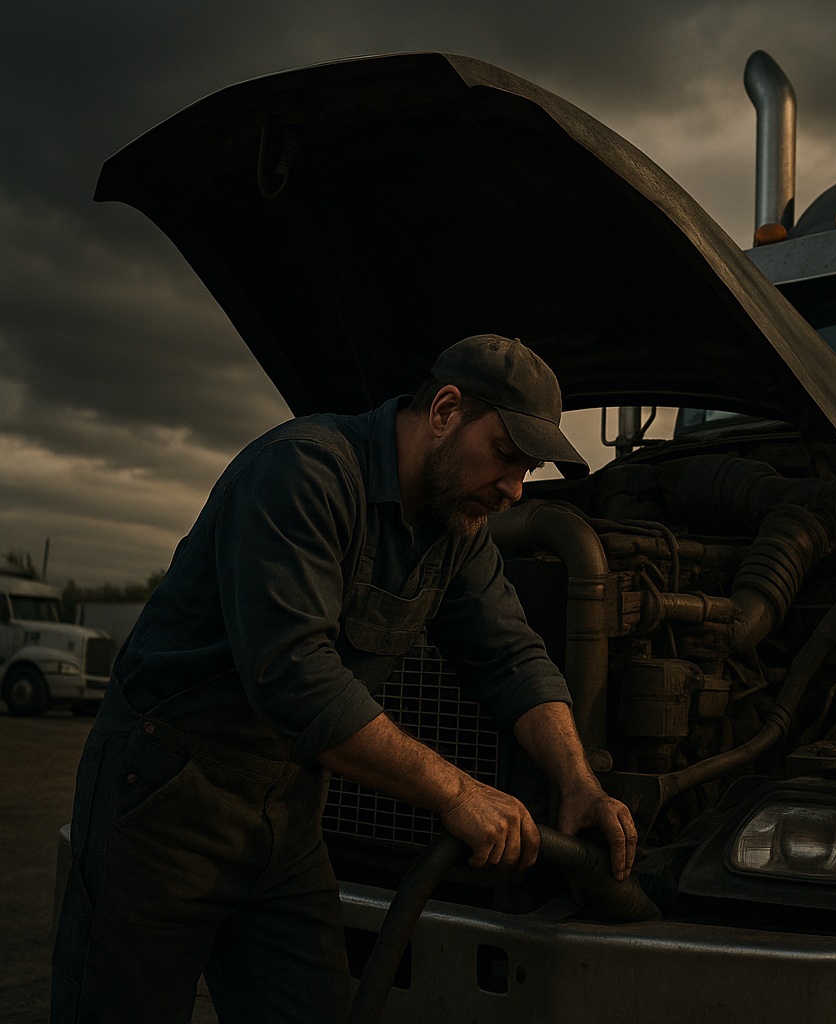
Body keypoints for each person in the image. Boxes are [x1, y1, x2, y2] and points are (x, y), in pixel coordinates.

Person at [52, 334, 637, 1024]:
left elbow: (511, 656)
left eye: (528, 469)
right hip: (165, 796)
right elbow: (296, 677)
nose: (515, 489)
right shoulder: (303, 471)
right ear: (445, 409)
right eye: (507, 456)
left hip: (288, 808)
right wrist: (455, 790)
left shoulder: (456, 530)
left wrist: (577, 781)